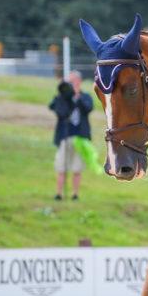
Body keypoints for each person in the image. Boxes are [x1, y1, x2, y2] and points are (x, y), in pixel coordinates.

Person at [49, 70, 93, 200]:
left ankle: (75, 193)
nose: (70, 83)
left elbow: (88, 108)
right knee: (61, 166)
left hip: (80, 137)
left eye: (72, 81)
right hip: (64, 135)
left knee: (77, 167)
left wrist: (77, 97)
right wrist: (64, 96)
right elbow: (55, 109)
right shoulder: (63, 97)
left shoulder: (85, 97)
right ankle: (59, 193)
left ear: (79, 81)